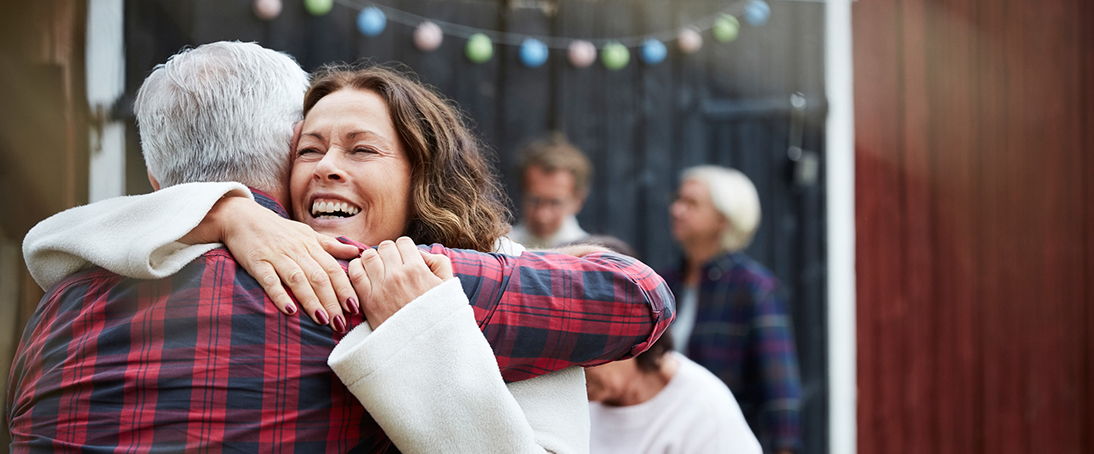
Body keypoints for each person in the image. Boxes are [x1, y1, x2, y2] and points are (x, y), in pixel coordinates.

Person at [9, 42, 673, 452]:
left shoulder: (58, 306)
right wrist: (231, 212)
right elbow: (638, 296)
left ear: (423, 177)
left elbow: (49, 242)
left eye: (362, 149)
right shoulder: (329, 283)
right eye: (310, 149)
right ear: (281, 162)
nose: (328, 167)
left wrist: (216, 209)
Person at [571, 236, 760, 454]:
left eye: (582, 346)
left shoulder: (704, 411)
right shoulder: (569, 401)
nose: (570, 365)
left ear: (630, 330)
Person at [661, 165, 802, 454]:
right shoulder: (664, 283)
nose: (677, 209)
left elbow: (779, 388)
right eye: (678, 199)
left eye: (692, 203)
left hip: (725, 440)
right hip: (667, 437)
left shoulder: (754, 287)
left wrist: (784, 447)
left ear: (723, 221)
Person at [509, 133, 592, 248]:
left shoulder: (590, 258)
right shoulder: (499, 249)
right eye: (534, 200)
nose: (542, 216)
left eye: (555, 203)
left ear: (578, 201)